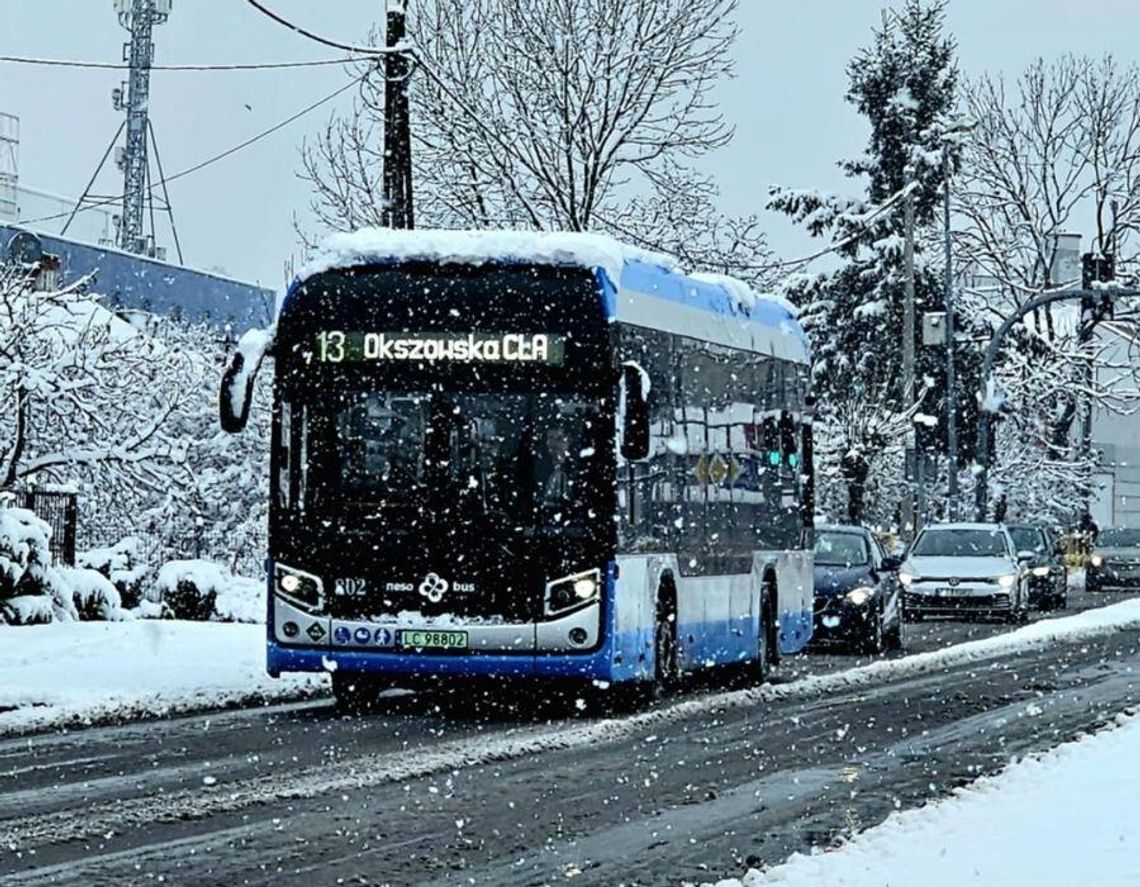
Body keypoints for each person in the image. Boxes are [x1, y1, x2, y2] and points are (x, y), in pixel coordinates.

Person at [538, 425, 573, 505]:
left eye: (559, 439)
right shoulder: (539, 468)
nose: (554, 443)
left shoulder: (576, 468)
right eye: (551, 438)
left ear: (569, 441)